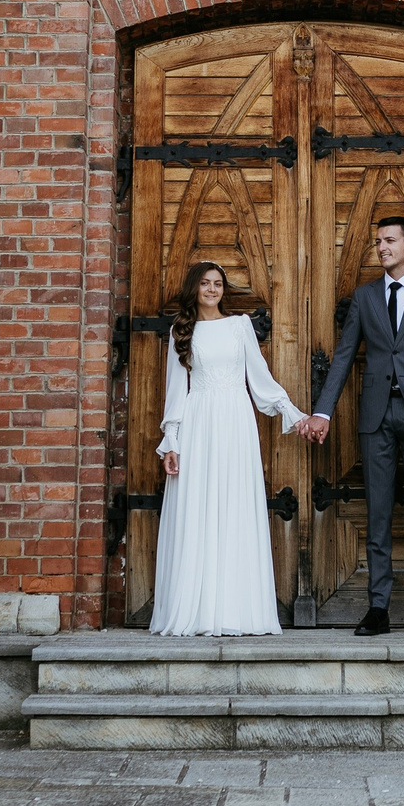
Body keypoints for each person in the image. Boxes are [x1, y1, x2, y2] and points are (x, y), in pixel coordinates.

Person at [299, 215, 404, 636]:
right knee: (379, 515)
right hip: (376, 418)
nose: (382, 247)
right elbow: (345, 356)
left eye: (390, 240)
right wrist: (323, 411)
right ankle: (378, 608)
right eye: (378, 241)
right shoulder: (365, 297)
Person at [150, 260, 310, 635]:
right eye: (205, 283)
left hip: (236, 423)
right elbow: (176, 390)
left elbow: (259, 377)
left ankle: (237, 610)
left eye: (218, 283)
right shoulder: (181, 330)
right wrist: (171, 439)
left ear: (225, 289)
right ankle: (199, 610)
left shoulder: (240, 326)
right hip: (199, 423)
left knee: (234, 506)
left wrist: (291, 412)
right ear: (194, 288)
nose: (211, 289)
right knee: (199, 508)